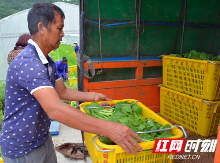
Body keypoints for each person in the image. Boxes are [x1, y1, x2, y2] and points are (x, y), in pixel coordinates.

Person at [0, 2, 143, 163]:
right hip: (22, 150)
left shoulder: (48, 62)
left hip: (41, 139)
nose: (62, 34)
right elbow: (55, 109)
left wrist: (94, 96)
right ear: (41, 28)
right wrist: (109, 128)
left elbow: (63, 92)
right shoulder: (28, 63)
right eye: (59, 28)